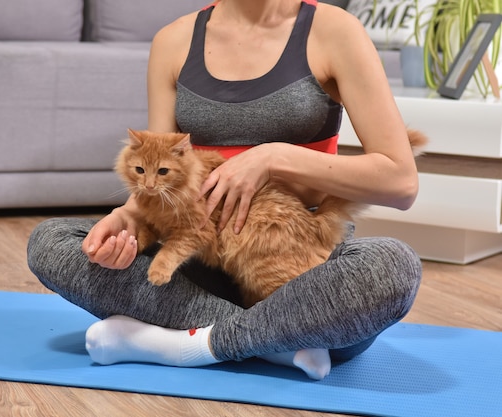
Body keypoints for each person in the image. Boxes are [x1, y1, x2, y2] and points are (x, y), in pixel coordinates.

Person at [27, 0, 422, 380]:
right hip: (198, 259)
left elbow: (400, 182)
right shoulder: (174, 40)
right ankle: (268, 342)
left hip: (299, 273)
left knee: (392, 266)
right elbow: (161, 166)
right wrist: (129, 216)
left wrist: (271, 157)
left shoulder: (335, 31)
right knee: (52, 241)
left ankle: (177, 343)